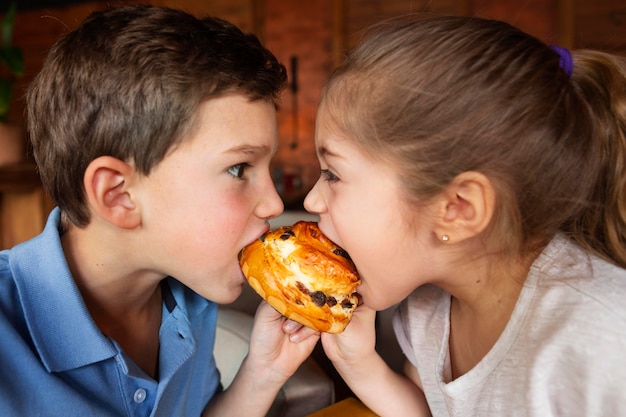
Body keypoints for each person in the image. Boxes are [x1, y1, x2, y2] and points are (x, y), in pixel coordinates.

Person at [0, 5, 320, 416]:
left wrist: (262, 374)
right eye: (239, 168)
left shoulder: (190, 300)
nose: (274, 204)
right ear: (119, 195)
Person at [303, 14, 626, 416]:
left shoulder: (604, 340)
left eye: (333, 174)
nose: (313, 201)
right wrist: (359, 364)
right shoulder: (428, 309)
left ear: (457, 210)